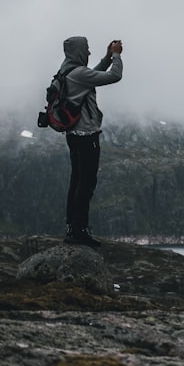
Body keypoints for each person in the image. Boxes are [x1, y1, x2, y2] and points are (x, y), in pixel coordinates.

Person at [58, 35, 124, 247]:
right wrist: (116, 56)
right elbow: (114, 76)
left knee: (76, 183)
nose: (88, 53)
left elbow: (93, 73)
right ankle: (80, 231)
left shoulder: (68, 70)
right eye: (86, 50)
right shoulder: (79, 73)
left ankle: (73, 227)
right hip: (87, 136)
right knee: (86, 184)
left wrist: (106, 56)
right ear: (78, 51)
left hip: (73, 135)